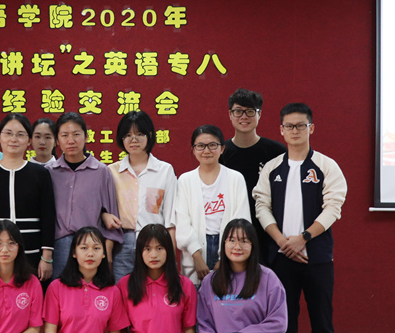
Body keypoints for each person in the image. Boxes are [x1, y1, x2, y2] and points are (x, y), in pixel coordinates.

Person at [253, 103, 347, 333]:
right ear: (280, 130)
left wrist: (304, 238)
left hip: (317, 258)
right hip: (281, 258)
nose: (295, 131)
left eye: (300, 125)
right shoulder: (272, 168)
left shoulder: (326, 166)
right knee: (285, 324)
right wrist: (282, 240)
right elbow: (261, 206)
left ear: (311, 128)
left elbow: (333, 207)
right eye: (289, 126)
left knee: (322, 322)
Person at [0, 113, 56, 283]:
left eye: (20, 134)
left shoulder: (40, 174)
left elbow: (48, 216)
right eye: (8, 133)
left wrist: (46, 257)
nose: (13, 139)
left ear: (28, 140)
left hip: (32, 253)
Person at [46, 111, 123, 279]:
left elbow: (112, 219)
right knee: (60, 292)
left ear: (86, 137)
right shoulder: (49, 172)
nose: (71, 140)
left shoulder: (101, 171)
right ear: (57, 140)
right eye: (64, 135)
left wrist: (107, 253)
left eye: (76, 134)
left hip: (91, 248)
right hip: (58, 246)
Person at [174, 125, 251, 287]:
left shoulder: (235, 178)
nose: (206, 150)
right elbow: (182, 222)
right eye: (200, 146)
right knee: (195, 296)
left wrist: (225, 257)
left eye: (212, 145)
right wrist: (196, 256)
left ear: (222, 149)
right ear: (193, 150)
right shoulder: (185, 180)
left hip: (229, 246)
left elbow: (241, 220)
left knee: (228, 295)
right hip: (195, 248)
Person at [105, 111, 178, 283]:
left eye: (139, 134)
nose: (133, 140)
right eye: (128, 135)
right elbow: (104, 210)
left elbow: (170, 220)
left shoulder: (164, 171)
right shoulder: (112, 172)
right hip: (122, 243)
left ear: (150, 135)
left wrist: (172, 257)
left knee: (154, 290)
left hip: (155, 244)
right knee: (122, 291)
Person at [219, 89, 287, 266]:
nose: (244, 117)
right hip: (233, 236)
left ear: (259, 114)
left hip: (270, 234)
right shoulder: (220, 153)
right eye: (238, 111)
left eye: (250, 111)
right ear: (230, 115)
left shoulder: (277, 152)